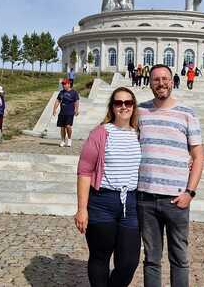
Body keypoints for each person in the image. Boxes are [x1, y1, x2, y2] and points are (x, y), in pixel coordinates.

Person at [137, 65, 204, 287]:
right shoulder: (140, 112)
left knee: (179, 258)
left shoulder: (187, 113)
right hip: (145, 197)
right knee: (151, 259)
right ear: (150, 83)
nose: (161, 83)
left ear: (172, 81)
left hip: (176, 199)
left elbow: (198, 156)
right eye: (156, 79)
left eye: (165, 78)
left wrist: (190, 192)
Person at [75, 87, 142, 287]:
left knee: (129, 262)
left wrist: (187, 159)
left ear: (133, 106)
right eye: (118, 103)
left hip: (130, 203)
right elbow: (84, 171)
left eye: (128, 102)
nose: (123, 107)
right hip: (102, 202)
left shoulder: (139, 134)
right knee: (100, 257)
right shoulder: (100, 133)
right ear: (112, 107)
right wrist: (82, 209)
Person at [53, 79, 80, 147]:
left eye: (65, 84)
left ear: (69, 84)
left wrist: (76, 110)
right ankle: (63, 140)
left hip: (70, 112)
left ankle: (69, 139)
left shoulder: (74, 92)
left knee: (68, 126)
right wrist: (54, 109)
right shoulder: (61, 92)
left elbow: (76, 101)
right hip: (62, 113)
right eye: (63, 84)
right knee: (62, 128)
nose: (63, 85)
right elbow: (58, 101)